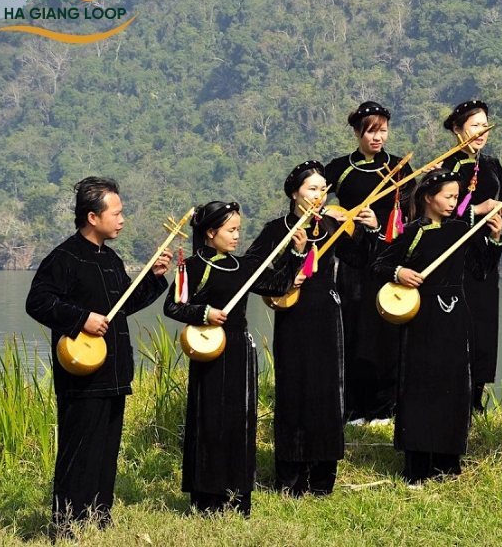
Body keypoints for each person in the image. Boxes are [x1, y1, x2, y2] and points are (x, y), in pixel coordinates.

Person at [25, 177, 172, 537]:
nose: (122, 219)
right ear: (92, 217)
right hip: (82, 371)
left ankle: (97, 518)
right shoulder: (64, 257)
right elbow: (38, 302)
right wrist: (81, 319)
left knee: (106, 451)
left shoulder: (111, 258)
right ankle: (64, 527)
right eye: (116, 213)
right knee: (78, 451)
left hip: (114, 372)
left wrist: (153, 279)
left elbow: (123, 307)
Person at [163, 201, 303, 516]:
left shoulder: (243, 266)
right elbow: (172, 307)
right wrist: (204, 312)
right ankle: (206, 500)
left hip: (240, 350)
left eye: (238, 229)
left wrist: (296, 253)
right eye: (231, 230)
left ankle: (239, 499)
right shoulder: (193, 267)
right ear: (210, 232)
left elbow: (277, 285)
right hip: (209, 351)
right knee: (209, 421)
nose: (237, 236)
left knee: (240, 422)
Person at [248, 161, 379, 496]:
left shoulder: (333, 224)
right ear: (294, 193)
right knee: (295, 392)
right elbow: (254, 277)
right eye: (311, 189)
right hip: (294, 316)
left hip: (328, 313)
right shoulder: (277, 229)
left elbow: (359, 259)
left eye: (323, 189)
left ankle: (323, 478)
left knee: (328, 395)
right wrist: (290, 270)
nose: (319, 195)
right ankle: (290, 477)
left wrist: (370, 229)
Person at [372, 169, 502, 485]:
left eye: (457, 197)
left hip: (455, 316)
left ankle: (447, 465)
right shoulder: (412, 231)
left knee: (454, 388)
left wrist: (496, 240)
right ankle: (416, 468)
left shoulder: (462, 230)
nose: (453, 202)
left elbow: (480, 270)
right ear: (429, 197)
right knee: (419, 386)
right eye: (448, 196)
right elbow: (379, 265)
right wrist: (400, 273)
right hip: (421, 316)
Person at [324, 101, 414, 424]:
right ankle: (352, 407)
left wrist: (380, 221)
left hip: (387, 257)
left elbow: (409, 214)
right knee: (352, 327)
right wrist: (329, 213)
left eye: (383, 130)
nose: (378, 138)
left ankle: (383, 407)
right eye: (371, 131)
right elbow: (313, 195)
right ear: (357, 132)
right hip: (351, 261)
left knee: (384, 329)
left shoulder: (399, 168)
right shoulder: (340, 167)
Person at [440, 100, 502, 412]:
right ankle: (451, 395)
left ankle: (477, 399)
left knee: (484, 320)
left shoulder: (493, 165)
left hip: (487, 251)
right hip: (454, 254)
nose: (481, 131)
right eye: (474, 125)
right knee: (459, 321)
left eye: (485, 124)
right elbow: (439, 211)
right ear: (458, 130)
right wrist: (476, 211)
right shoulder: (446, 167)